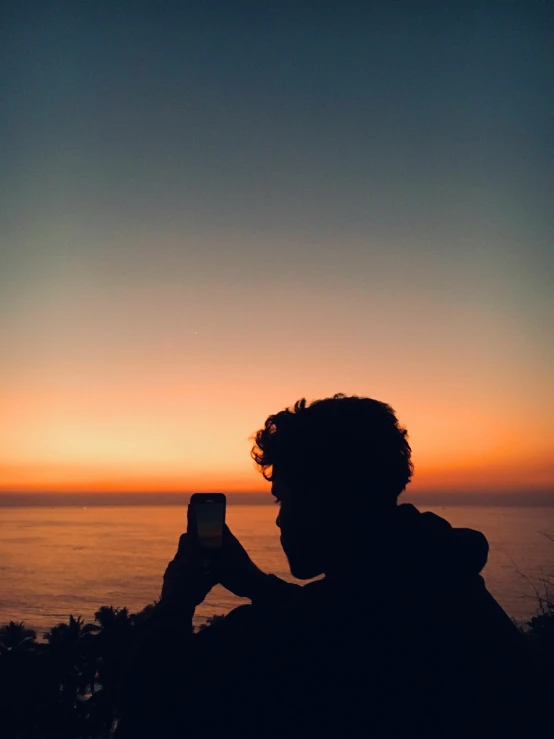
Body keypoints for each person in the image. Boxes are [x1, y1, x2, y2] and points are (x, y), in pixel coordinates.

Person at [115, 394, 541, 738]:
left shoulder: (281, 641)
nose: (280, 518)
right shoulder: (443, 577)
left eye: (285, 498)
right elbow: (360, 603)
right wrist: (256, 584)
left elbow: (148, 711)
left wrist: (177, 602)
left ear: (332, 496)